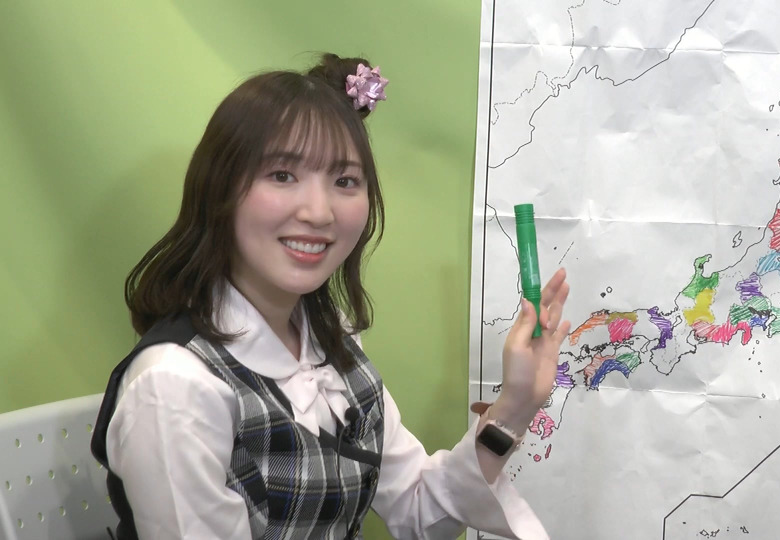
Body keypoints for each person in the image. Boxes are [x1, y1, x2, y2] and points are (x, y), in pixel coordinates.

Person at [90, 53, 571, 540]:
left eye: (345, 181)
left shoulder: (329, 339)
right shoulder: (175, 386)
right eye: (282, 175)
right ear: (220, 188)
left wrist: (515, 405)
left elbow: (422, 510)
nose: (319, 213)